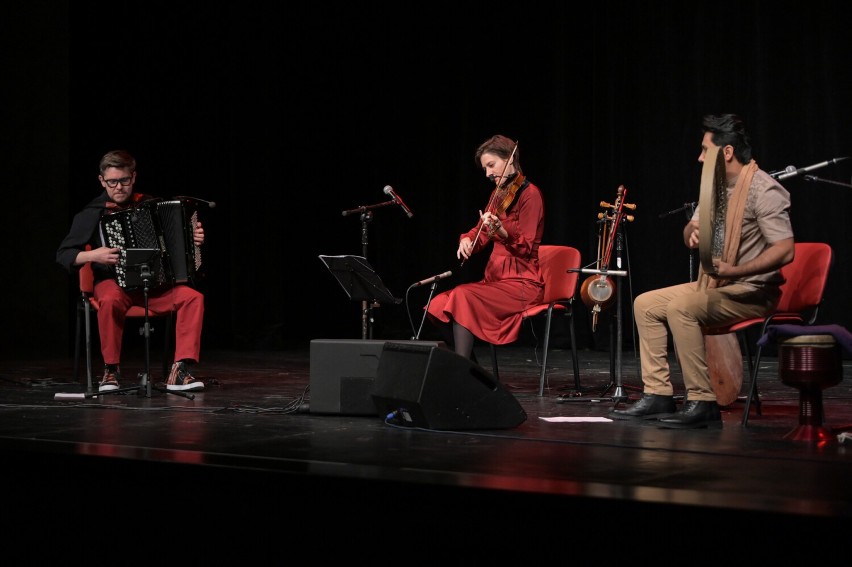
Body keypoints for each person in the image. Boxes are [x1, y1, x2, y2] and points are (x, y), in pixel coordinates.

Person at [611, 114, 795, 428]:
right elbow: (690, 229)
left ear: (726, 152)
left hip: (752, 291)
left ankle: (702, 400)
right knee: (645, 304)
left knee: (683, 307)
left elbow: (785, 249)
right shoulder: (715, 188)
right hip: (716, 285)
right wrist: (692, 234)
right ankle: (658, 394)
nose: (699, 158)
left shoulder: (764, 189)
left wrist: (736, 271)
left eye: (704, 150)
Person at [56, 150, 206, 392]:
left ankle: (180, 370)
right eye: (112, 181)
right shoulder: (92, 213)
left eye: (124, 180)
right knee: (110, 299)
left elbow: (175, 241)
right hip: (113, 283)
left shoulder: (150, 204)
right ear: (101, 181)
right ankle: (111, 371)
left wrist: (193, 238)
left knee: (192, 298)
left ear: (133, 177)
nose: (119, 187)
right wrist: (96, 255)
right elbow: (63, 255)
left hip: (154, 285)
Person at [426, 134, 545, 360]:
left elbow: (526, 247)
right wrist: (467, 239)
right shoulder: (498, 194)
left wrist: (502, 233)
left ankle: (463, 375)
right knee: (438, 305)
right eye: (485, 169)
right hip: (495, 280)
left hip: (522, 283)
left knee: (462, 296)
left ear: (509, 159)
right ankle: (472, 371)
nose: (488, 173)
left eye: (491, 165)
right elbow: (481, 230)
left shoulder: (531, 195)